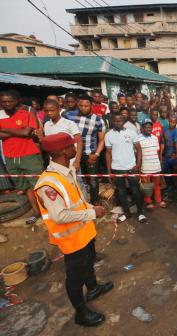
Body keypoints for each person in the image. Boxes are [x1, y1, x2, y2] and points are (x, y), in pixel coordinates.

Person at [34, 132, 113, 327]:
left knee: (88, 264)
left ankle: (93, 288)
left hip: (85, 232)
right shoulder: (48, 184)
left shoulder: (65, 170)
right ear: (62, 151)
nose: (75, 148)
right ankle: (81, 312)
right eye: (71, 146)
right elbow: (59, 216)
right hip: (72, 240)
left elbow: (76, 201)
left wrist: (91, 208)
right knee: (75, 277)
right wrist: (92, 214)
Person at [0, 90, 43, 224]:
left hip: (29, 154)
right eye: (3, 102)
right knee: (25, 188)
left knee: (39, 186)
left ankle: (48, 211)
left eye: (9, 101)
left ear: (17, 101)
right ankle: (36, 212)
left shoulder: (27, 113)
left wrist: (5, 130)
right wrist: (20, 132)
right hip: (10, 156)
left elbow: (27, 132)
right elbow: (22, 132)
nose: (6, 104)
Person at [105, 114, 146, 223]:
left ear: (123, 121)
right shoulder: (108, 135)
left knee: (135, 190)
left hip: (131, 167)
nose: (118, 123)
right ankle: (126, 213)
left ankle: (140, 213)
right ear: (112, 121)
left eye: (120, 121)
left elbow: (139, 149)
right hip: (117, 168)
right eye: (115, 121)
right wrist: (109, 171)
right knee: (121, 192)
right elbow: (108, 154)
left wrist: (138, 165)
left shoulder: (131, 133)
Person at [65, 95, 106, 205]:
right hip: (73, 154)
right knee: (76, 179)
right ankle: (79, 202)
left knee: (93, 180)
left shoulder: (98, 120)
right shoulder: (69, 116)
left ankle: (95, 202)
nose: (83, 108)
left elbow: (102, 140)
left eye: (86, 106)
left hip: (90, 154)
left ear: (91, 106)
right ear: (78, 105)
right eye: (81, 105)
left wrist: (96, 154)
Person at [135, 118, 166, 209]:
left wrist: (159, 162)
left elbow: (157, 151)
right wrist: (139, 166)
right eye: (146, 127)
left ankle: (158, 201)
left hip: (156, 166)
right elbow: (137, 154)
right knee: (146, 186)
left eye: (150, 127)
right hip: (145, 167)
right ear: (142, 128)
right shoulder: (138, 139)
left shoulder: (155, 138)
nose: (149, 129)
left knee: (157, 185)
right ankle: (148, 203)